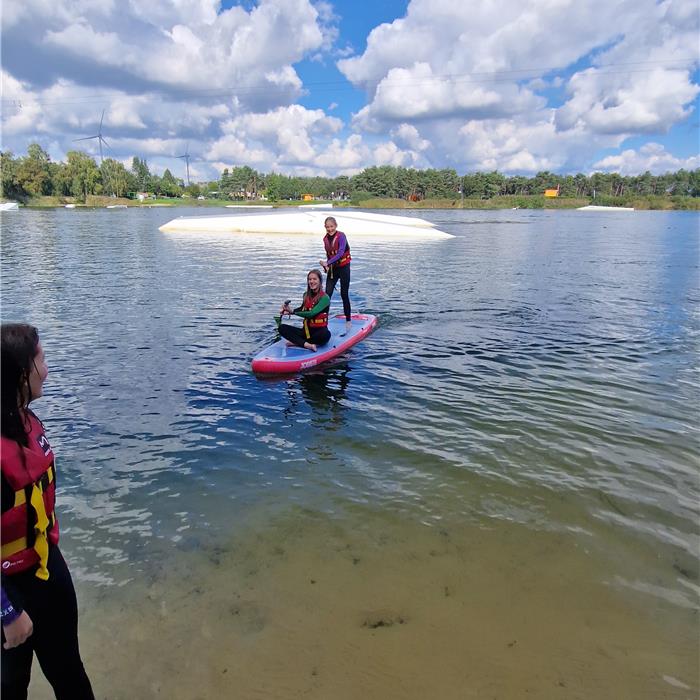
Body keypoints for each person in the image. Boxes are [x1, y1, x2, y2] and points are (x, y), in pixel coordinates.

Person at [1, 323, 94, 700]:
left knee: (70, 674)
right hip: (9, 590)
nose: (48, 369)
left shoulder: (25, 420)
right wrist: (7, 612)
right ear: (23, 372)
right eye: (42, 359)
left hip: (46, 572)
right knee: (10, 684)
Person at [279, 269, 331, 352]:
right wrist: (288, 310)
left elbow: (311, 313)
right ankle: (307, 345)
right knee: (282, 328)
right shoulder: (305, 295)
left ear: (320, 281)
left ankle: (298, 342)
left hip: (319, 334)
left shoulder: (325, 298)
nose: (311, 281)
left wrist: (293, 312)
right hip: (306, 332)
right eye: (310, 279)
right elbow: (302, 309)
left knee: (326, 335)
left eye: (314, 279)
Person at [319, 216, 352, 336]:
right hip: (333, 269)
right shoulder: (325, 239)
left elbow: (340, 252)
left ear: (336, 226)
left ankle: (348, 320)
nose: (329, 229)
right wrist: (326, 267)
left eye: (331, 226)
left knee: (344, 294)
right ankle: (323, 322)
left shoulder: (341, 236)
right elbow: (329, 255)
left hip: (344, 268)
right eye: (327, 227)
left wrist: (327, 263)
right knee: (326, 295)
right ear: (325, 227)